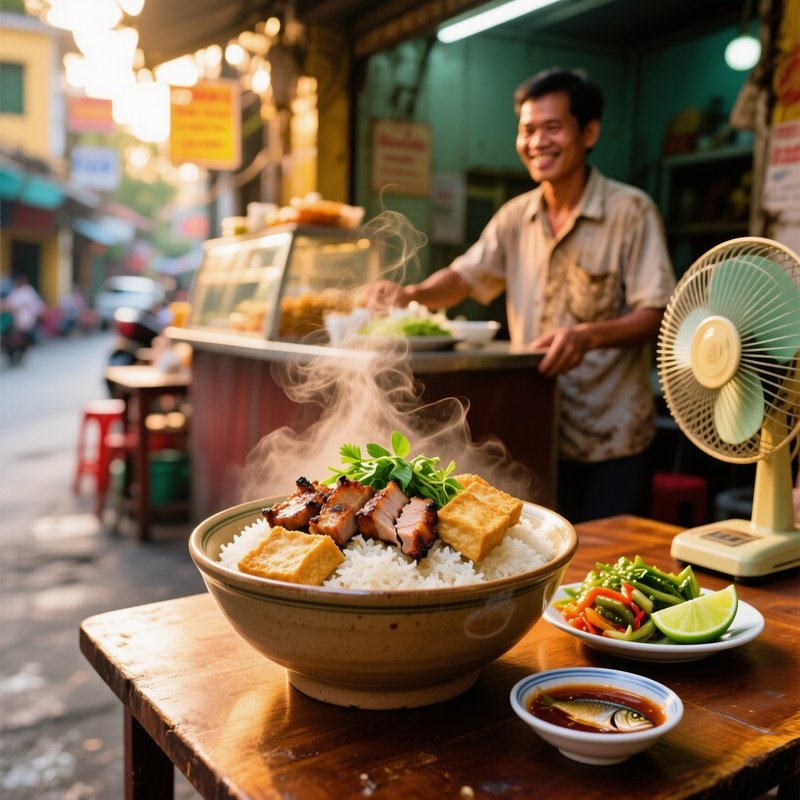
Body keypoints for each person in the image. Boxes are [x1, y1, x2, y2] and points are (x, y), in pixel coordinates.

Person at [369, 67, 676, 522]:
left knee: (603, 561)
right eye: (528, 130)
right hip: (537, 429)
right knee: (544, 560)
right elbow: (466, 277)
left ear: (589, 132)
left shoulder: (630, 211)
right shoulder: (516, 216)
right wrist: (409, 292)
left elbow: (658, 313)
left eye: (553, 127)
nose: (537, 142)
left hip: (612, 437)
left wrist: (587, 336)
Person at [4, 273, 45, 346]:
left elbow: (36, 305)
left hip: (26, 319)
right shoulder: (17, 291)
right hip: (18, 318)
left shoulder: (28, 291)